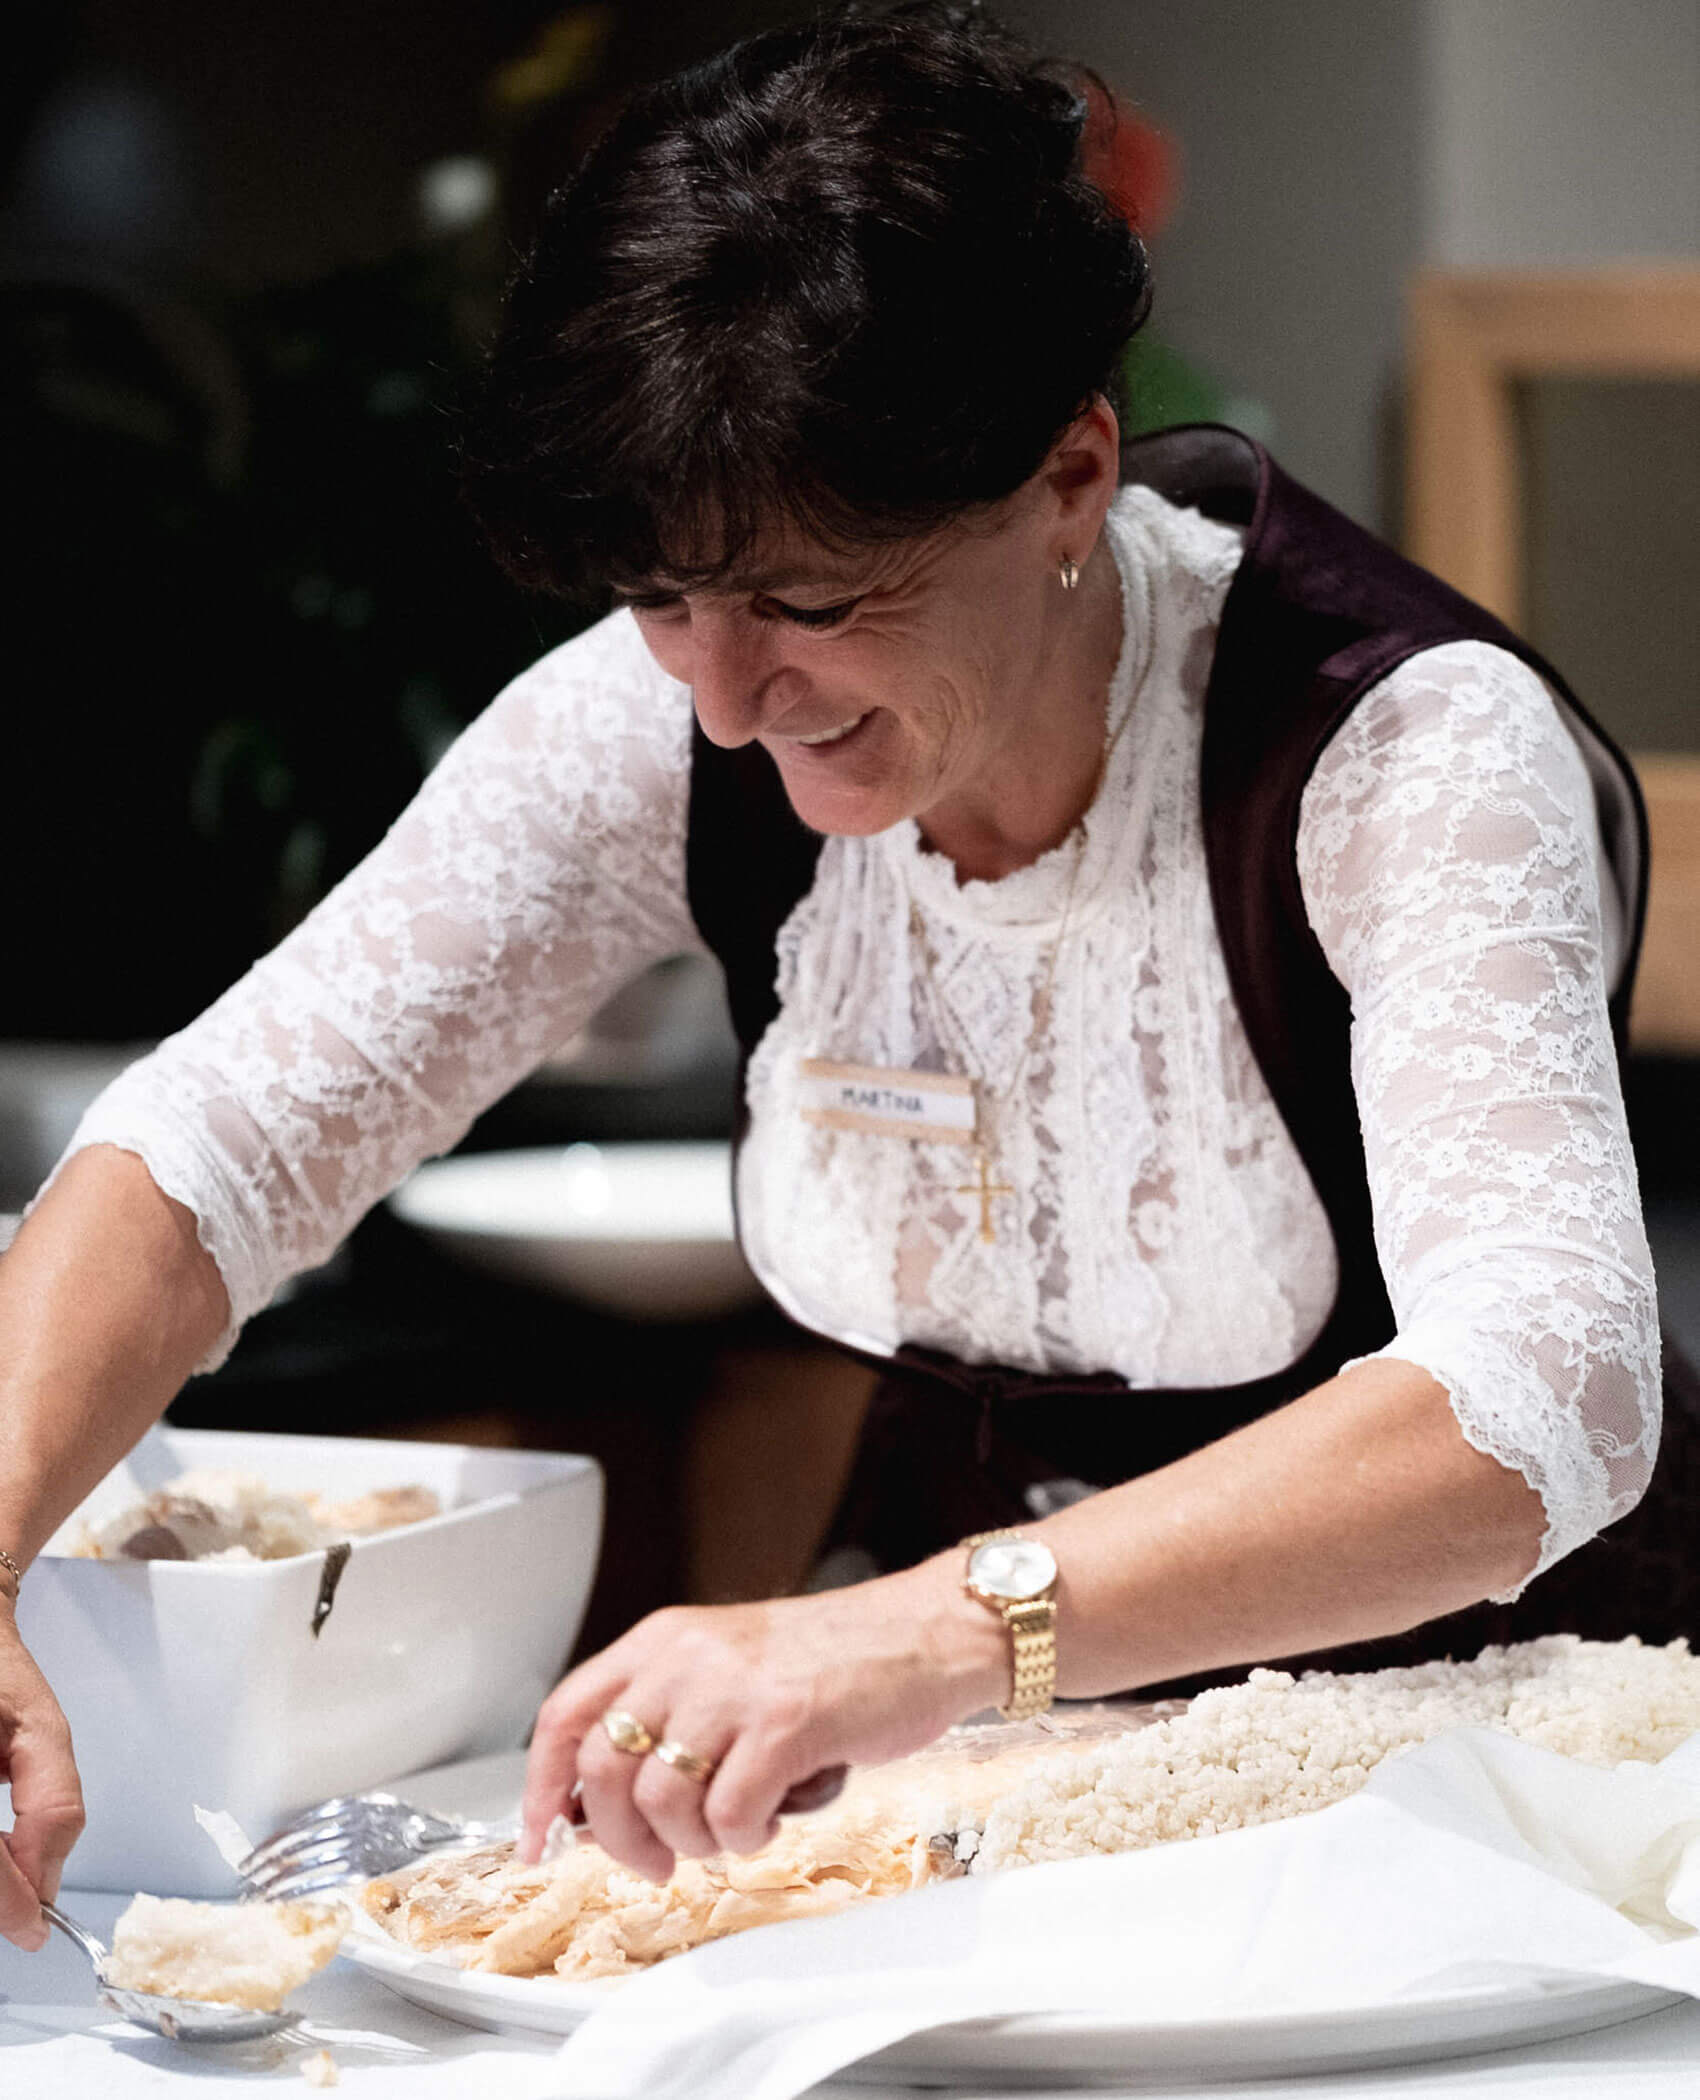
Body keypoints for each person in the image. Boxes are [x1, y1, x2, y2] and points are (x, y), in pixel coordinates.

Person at [0, 2, 1682, 1943]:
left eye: (812, 601)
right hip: (967, 1790)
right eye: (656, 599)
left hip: (1510, 1792)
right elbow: (222, 1141)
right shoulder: (686, 723)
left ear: (1069, 474)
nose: (722, 699)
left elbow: (1533, 1401)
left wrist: (894, 1642)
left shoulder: (1395, 750)